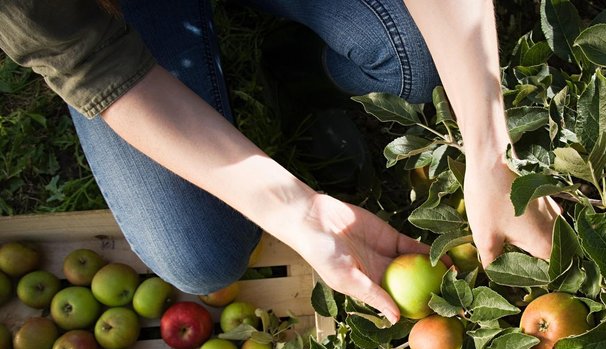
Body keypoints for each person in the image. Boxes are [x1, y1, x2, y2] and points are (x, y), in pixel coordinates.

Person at [0, 0, 559, 324]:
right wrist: (297, 212)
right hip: (113, 13)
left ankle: (297, 71)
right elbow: (94, 64)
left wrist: (490, 153)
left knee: (412, 62)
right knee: (199, 256)